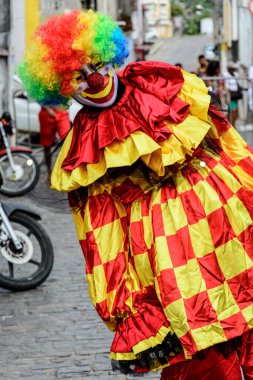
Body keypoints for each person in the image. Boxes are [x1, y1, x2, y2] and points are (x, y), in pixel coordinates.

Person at [18, 10, 253, 379]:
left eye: (96, 63)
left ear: (110, 55)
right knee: (202, 342)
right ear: (63, 87)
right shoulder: (85, 146)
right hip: (165, 250)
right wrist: (127, 306)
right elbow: (101, 230)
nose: (94, 78)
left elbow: (220, 139)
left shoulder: (156, 82)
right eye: (78, 75)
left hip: (222, 221)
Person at [38, 106, 71, 181]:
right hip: (46, 112)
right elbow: (37, 96)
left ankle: (67, 171)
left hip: (61, 111)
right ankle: (49, 172)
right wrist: (47, 109)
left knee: (68, 141)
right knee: (47, 145)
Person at [222, 61, 242, 127]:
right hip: (230, 96)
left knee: (235, 114)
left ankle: (232, 126)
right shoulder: (225, 75)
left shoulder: (234, 74)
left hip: (235, 96)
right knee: (232, 112)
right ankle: (230, 127)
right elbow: (225, 86)